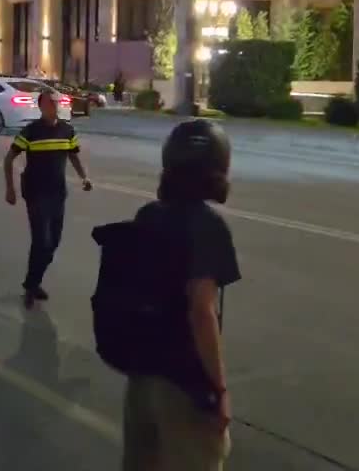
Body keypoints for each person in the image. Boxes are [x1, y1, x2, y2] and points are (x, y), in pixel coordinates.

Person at [120, 120, 240, 471]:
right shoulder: (208, 227)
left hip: (141, 379)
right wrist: (218, 390)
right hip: (185, 387)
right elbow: (201, 311)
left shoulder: (148, 216)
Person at [2, 91, 92, 308]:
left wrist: (84, 177)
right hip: (35, 192)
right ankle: (31, 287)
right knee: (41, 241)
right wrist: (10, 189)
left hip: (58, 193)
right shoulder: (31, 131)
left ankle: (33, 281)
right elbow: (9, 158)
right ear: (41, 106)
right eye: (50, 102)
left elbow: (73, 155)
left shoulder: (67, 131)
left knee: (53, 243)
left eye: (56, 102)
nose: (55, 105)